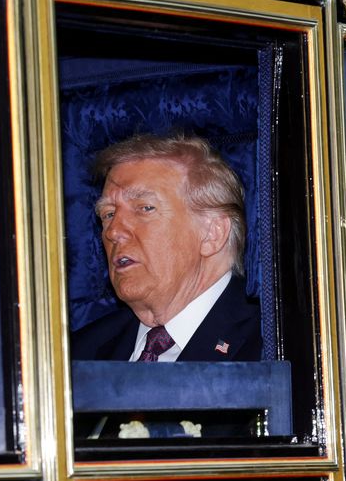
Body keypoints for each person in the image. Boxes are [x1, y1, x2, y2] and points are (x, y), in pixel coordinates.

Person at [73, 134, 261, 362]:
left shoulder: (273, 347)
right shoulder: (79, 356)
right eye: (109, 214)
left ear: (212, 233)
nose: (113, 231)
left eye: (144, 208)